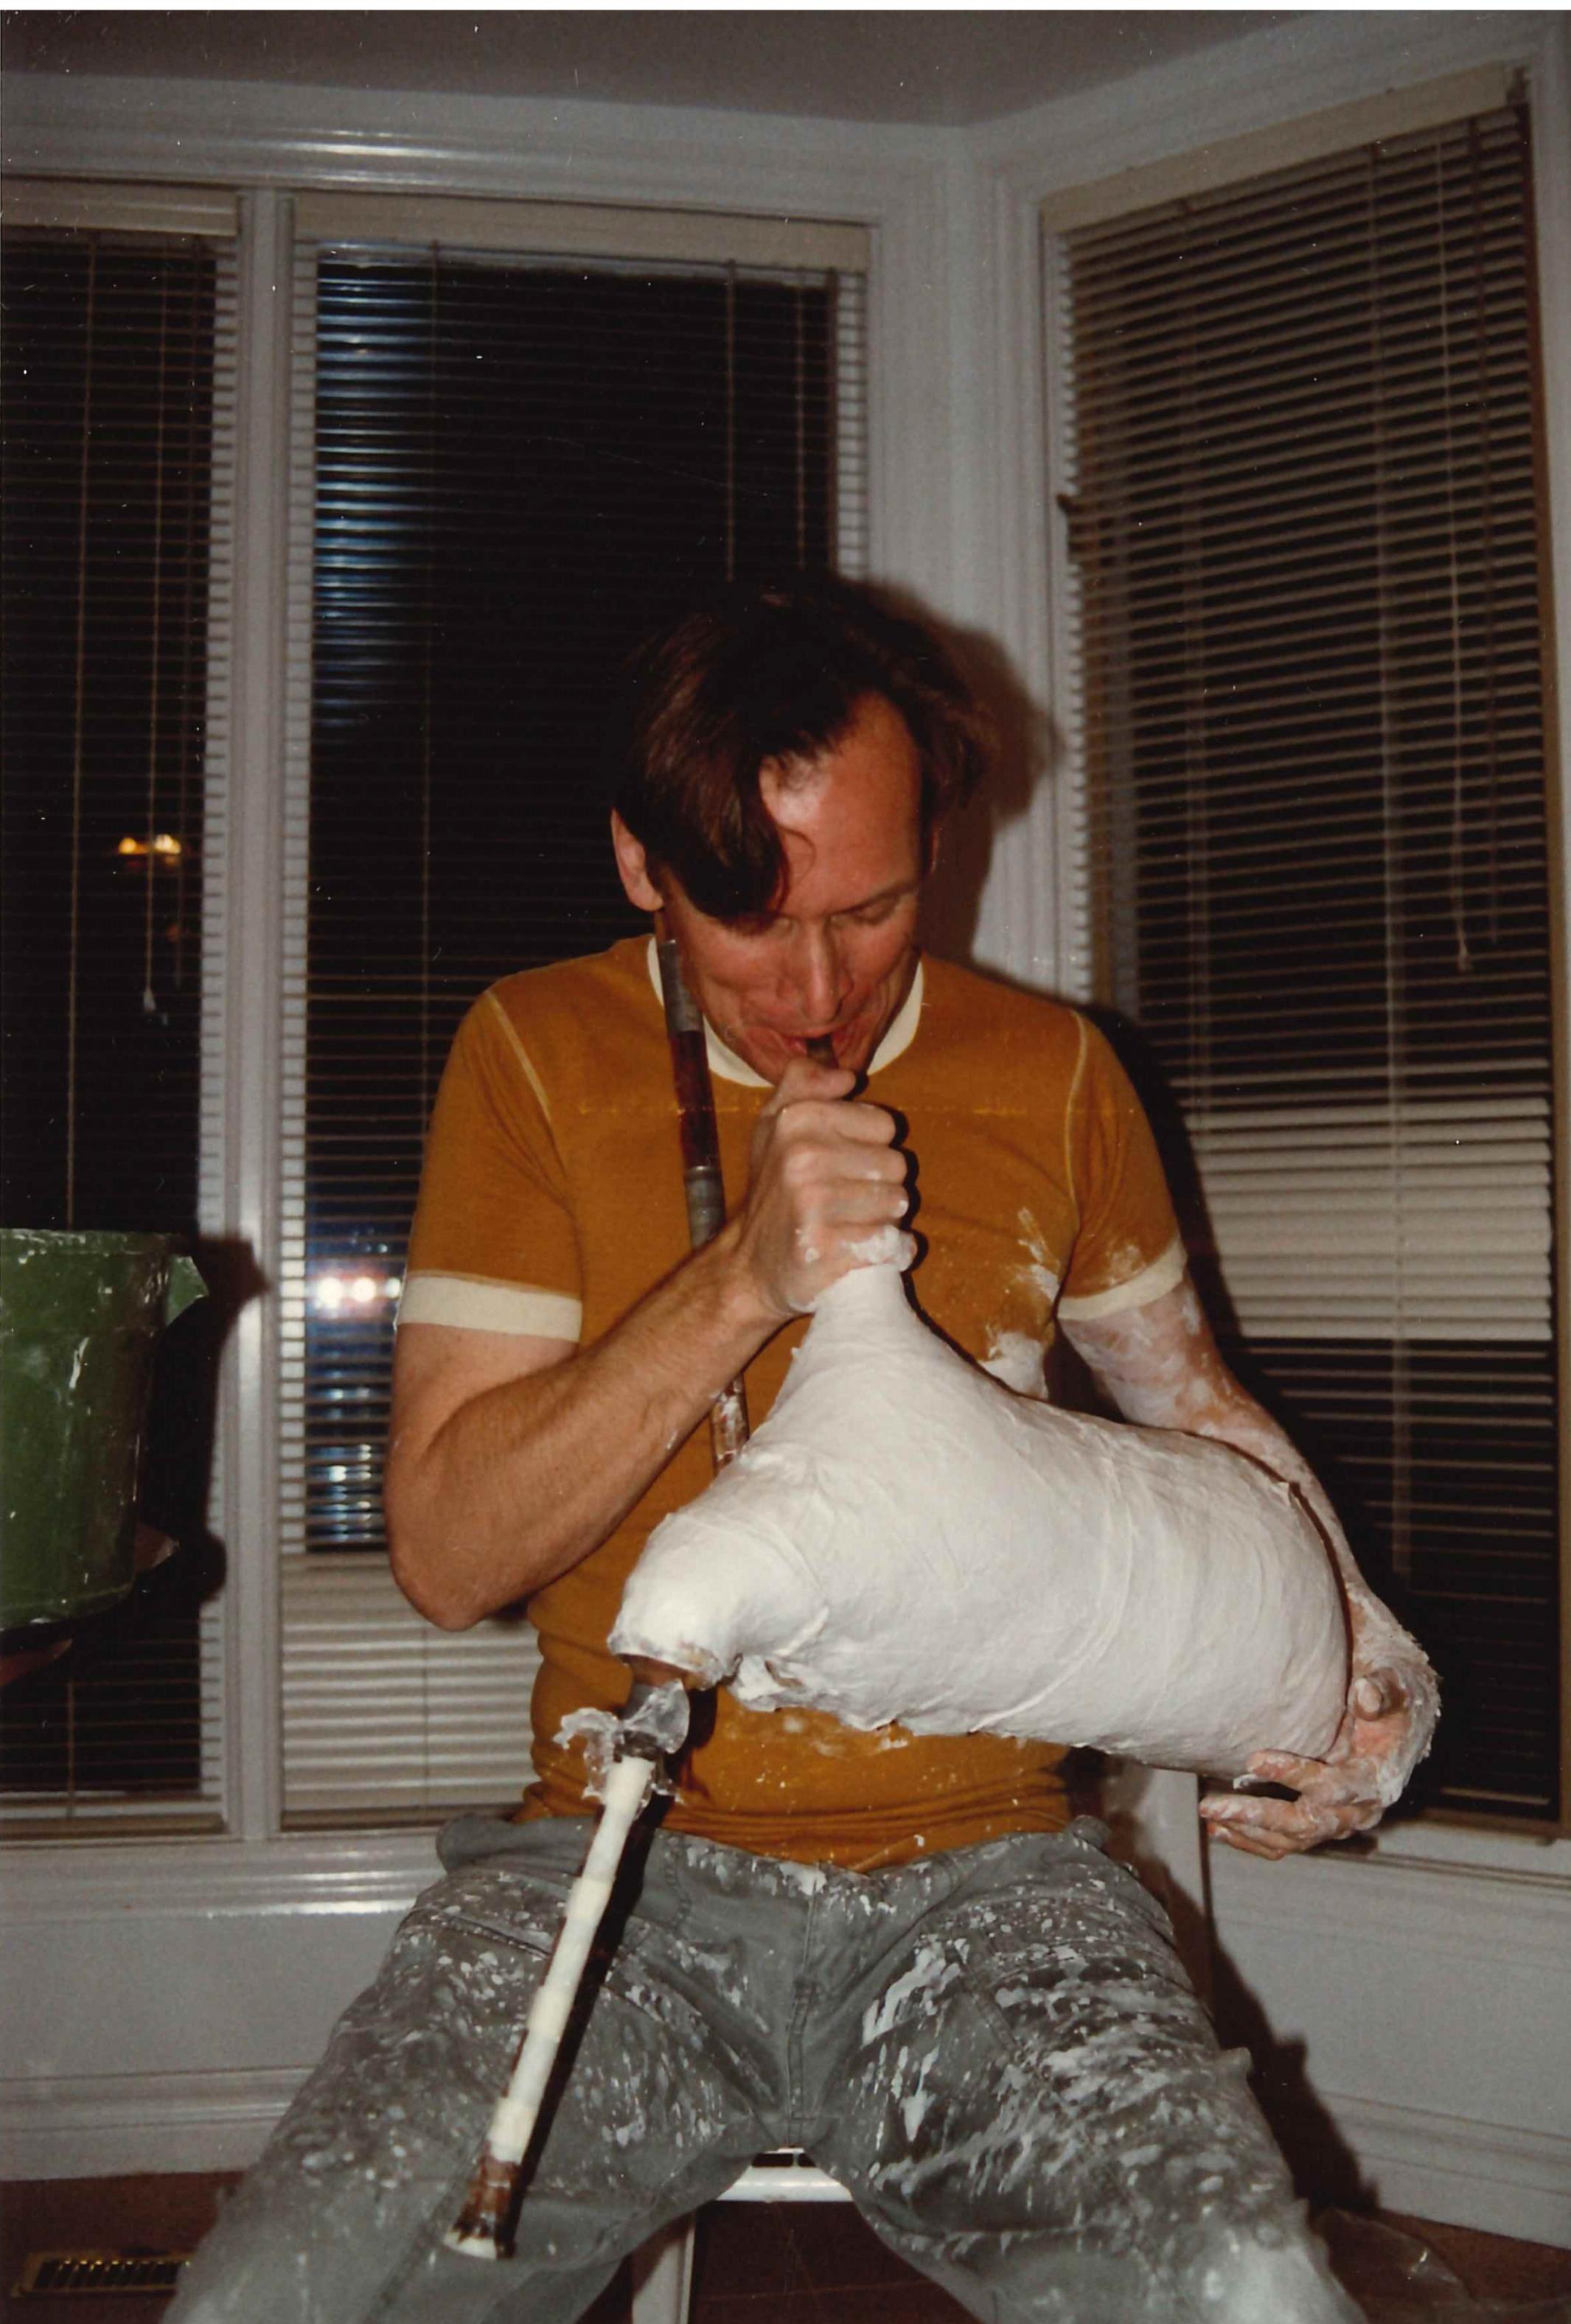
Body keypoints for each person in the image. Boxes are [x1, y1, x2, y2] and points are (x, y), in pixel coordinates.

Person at [172, 578, 1435, 2323]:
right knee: (285, 2298)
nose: (820, 985)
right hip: (611, 1875)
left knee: (1241, 2282)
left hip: (991, 1885)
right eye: (750, 922)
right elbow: (451, 1554)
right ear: (640, 864)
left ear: (938, 840)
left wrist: (1370, 1648)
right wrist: (740, 1274)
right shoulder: (534, 1054)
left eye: (876, 904)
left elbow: (1194, 1406)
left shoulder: (1058, 1073)